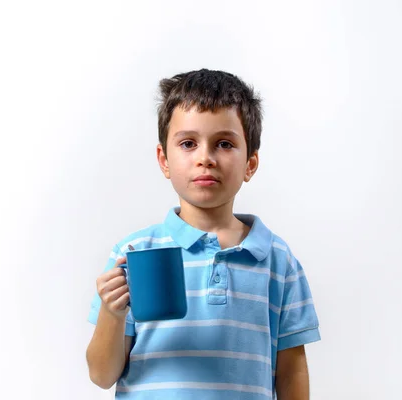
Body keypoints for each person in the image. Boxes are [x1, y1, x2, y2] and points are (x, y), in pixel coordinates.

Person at [86, 68, 321, 399]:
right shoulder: (134, 252)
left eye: (224, 143)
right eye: (188, 143)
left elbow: (292, 371)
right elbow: (101, 374)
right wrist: (112, 314)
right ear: (164, 160)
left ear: (250, 163)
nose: (205, 158)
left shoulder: (278, 262)